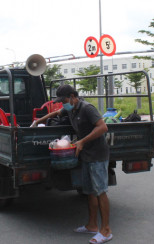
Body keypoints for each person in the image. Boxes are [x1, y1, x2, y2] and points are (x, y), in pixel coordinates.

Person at [32, 84, 113, 244]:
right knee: (89, 190)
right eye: (61, 101)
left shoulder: (87, 108)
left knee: (100, 191)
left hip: (97, 154)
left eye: (64, 100)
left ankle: (106, 230)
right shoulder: (71, 109)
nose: (63, 104)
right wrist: (38, 121)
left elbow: (103, 127)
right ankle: (92, 225)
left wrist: (82, 141)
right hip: (86, 155)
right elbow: (56, 112)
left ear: (72, 96)